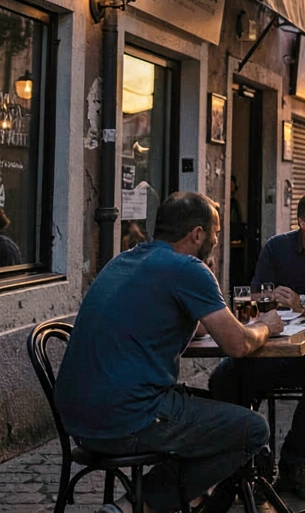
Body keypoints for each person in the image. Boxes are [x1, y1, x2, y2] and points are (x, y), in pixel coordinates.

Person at [55, 192, 277, 513]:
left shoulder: (124, 260)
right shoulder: (187, 268)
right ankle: (133, 507)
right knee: (252, 428)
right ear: (197, 234)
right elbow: (237, 345)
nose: (216, 241)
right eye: (215, 233)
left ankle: (196, 496)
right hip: (128, 420)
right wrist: (268, 325)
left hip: (77, 419)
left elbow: (182, 323)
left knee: (217, 410)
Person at [209, 191, 305, 503]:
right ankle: (256, 459)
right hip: (281, 343)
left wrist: (304, 305)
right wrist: (266, 303)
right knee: (224, 377)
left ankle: (295, 462)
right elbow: (256, 296)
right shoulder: (277, 248)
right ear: (304, 223)